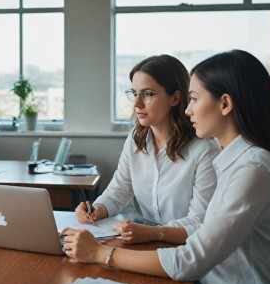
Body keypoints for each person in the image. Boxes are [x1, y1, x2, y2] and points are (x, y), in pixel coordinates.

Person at [63, 50, 270, 284]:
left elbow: (191, 260)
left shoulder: (251, 168)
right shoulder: (236, 160)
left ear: (225, 104)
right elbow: (199, 243)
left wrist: (102, 254)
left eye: (193, 99)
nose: (188, 109)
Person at [76, 54, 219, 244]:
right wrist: (96, 210)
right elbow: (118, 191)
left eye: (148, 94)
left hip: (184, 249)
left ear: (175, 98)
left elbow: (199, 222)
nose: (136, 104)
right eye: (135, 94)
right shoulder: (136, 138)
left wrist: (151, 233)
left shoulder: (204, 150)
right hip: (143, 241)